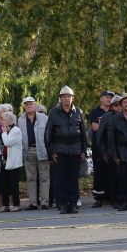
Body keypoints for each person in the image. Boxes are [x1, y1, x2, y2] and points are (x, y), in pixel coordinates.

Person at [44, 86, 87, 214]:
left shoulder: (78, 112)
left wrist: (84, 150)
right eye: (64, 97)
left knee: (73, 178)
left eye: (69, 96)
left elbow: (84, 133)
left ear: (72, 98)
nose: (67, 99)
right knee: (61, 179)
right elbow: (48, 134)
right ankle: (63, 204)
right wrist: (50, 152)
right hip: (60, 150)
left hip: (75, 150)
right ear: (60, 98)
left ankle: (73, 204)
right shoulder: (54, 113)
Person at [17, 97, 50, 209]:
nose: (29, 106)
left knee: (44, 177)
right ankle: (33, 203)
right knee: (31, 178)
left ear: (35, 105)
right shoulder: (20, 120)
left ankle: (45, 202)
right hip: (28, 150)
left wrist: (49, 150)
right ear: (24, 107)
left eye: (31, 104)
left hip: (42, 150)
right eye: (26, 104)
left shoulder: (44, 118)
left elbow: (49, 135)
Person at [87, 90, 114, 206]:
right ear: (101, 99)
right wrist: (108, 126)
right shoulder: (95, 112)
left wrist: (103, 126)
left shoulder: (113, 112)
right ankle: (98, 198)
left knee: (111, 172)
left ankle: (110, 196)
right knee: (99, 172)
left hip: (111, 147)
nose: (109, 99)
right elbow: (94, 127)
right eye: (107, 97)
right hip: (98, 146)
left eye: (110, 98)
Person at [0, 109, 23, 212]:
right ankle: (5, 204)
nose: (1, 122)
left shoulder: (16, 130)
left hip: (13, 160)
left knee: (13, 184)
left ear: (9, 120)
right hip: (4, 160)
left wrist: (4, 133)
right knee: (4, 183)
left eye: (3, 120)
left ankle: (16, 204)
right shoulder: (4, 130)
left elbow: (7, 142)